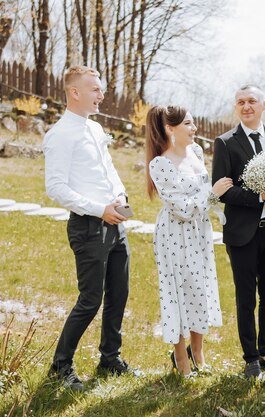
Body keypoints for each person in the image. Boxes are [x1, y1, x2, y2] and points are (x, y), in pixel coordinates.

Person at [43, 65, 136, 391]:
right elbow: (55, 188)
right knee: (90, 300)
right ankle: (60, 367)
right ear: (75, 92)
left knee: (119, 295)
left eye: (100, 88)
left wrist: (120, 195)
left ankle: (110, 358)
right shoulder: (59, 135)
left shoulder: (95, 129)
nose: (101, 94)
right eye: (95, 89)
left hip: (116, 224)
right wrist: (100, 210)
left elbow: (107, 169)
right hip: (88, 226)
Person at [145, 105, 232, 377]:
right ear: (171, 128)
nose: (194, 129)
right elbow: (180, 208)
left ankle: (199, 352)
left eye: (193, 123)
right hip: (175, 233)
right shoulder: (160, 164)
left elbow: (201, 196)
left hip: (199, 231)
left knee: (200, 287)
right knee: (178, 291)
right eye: (188, 124)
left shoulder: (196, 153)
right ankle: (181, 357)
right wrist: (212, 195)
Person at [211, 85, 265, 378]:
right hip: (242, 233)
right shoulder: (225, 142)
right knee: (246, 298)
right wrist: (259, 197)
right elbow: (222, 190)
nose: (246, 106)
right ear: (236, 107)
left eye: (252, 101)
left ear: (264, 104)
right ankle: (250, 358)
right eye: (241, 102)